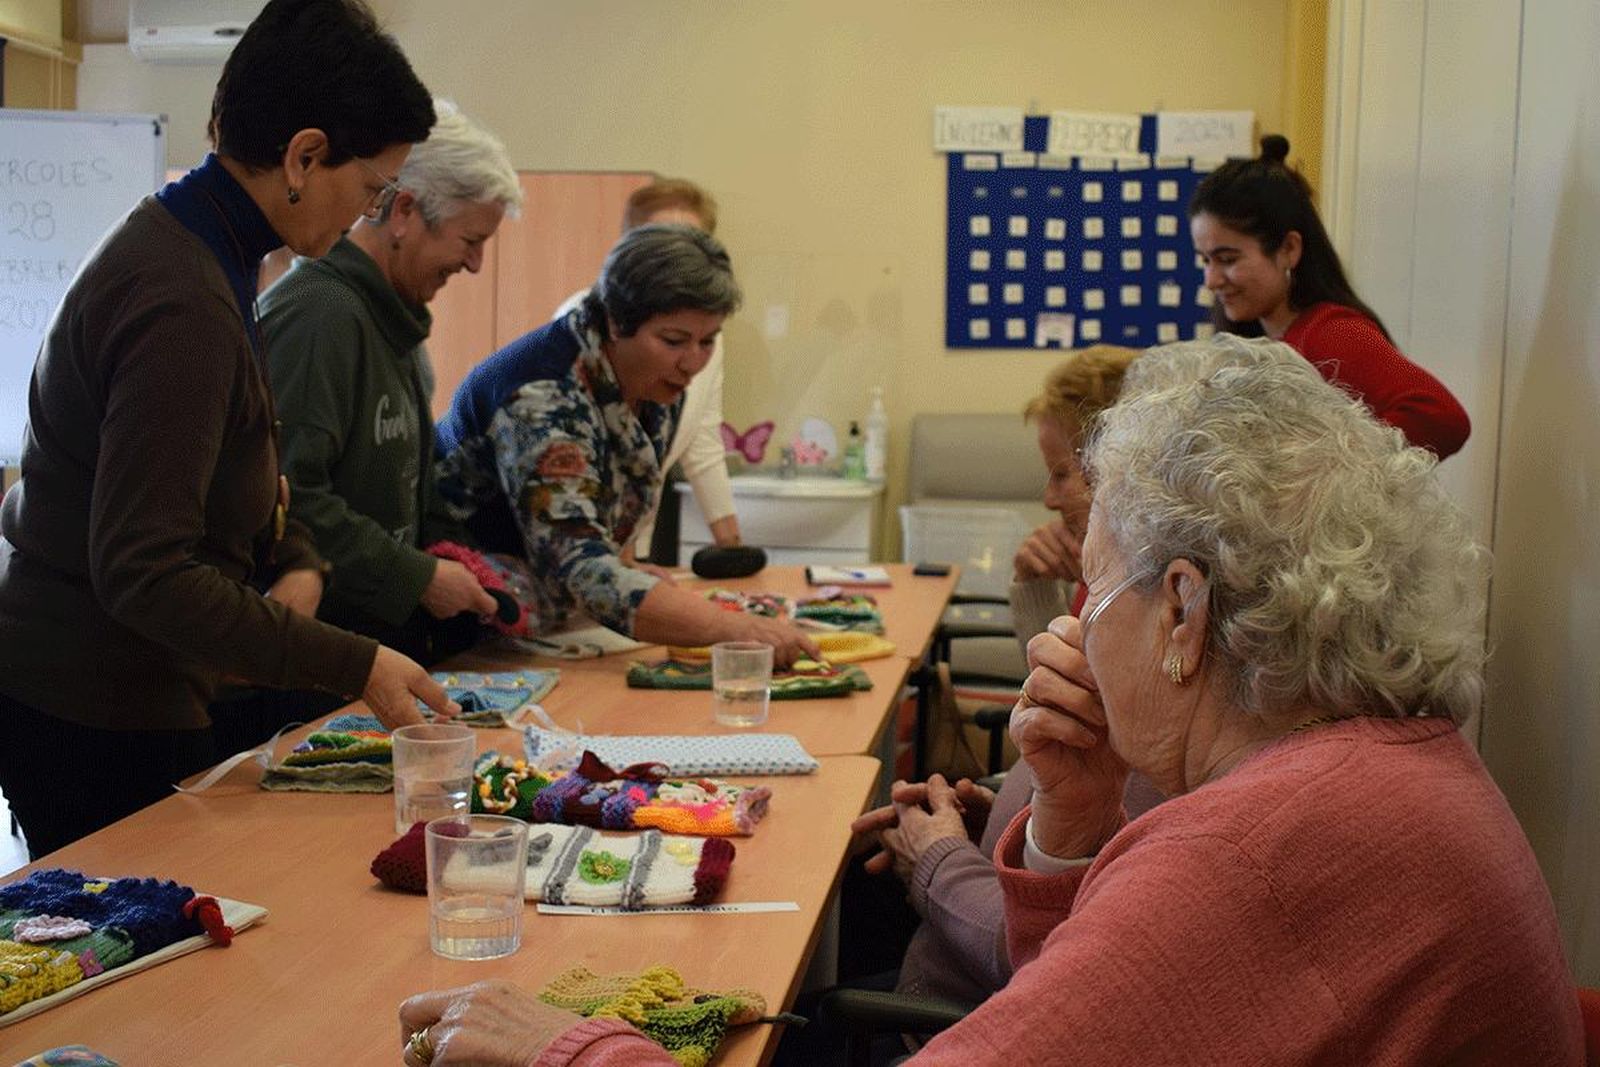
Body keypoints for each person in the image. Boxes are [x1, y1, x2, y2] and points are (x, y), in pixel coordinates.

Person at [397, 336, 1583, 1065]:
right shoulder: (1366, 768)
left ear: (1183, 613)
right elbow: (1082, 1009)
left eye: (1090, 581)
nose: (1070, 624)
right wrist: (1068, 821)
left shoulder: (1261, 847)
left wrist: (572, 1045)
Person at [0, 0, 456, 860]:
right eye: (373, 187)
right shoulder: (183, 298)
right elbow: (145, 570)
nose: (370, 209)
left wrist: (293, 554)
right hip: (95, 712)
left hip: (112, 696)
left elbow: (228, 488)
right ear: (305, 156)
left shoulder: (202, 250)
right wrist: (353, 662)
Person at [434, 225, 816, 664]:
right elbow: (578, 565)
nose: (693, 362)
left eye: (708, 341)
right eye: (673, 340)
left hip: (545, 624)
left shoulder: (657, 382)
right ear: (616, 322)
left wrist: (626, 572)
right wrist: (735, 628)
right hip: (465, 632)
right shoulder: (541, 393)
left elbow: (598, 530)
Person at [261, 100, 522, 665]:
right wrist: (420, 577)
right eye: (470, 239)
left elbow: (408, 491)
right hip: (308, 661)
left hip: (373, 650)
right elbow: (288, 497)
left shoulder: (392, 320)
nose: (475, 264)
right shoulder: (320, 317)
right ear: (403, 211)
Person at [1190, 134, 1471, 458]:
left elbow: (1442, 418)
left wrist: (1323, 467)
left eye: (1228, 259)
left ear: (1288, 249)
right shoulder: (1264, 341)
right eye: (1205, 260)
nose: (1211, 280)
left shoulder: (1331, 333)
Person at [554, 179, 741, 567]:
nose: (691, 359)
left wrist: (734, 550)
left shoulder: (699, 342)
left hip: (624, 545)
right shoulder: (573, 336)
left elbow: (700, 441)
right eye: (673, 341)